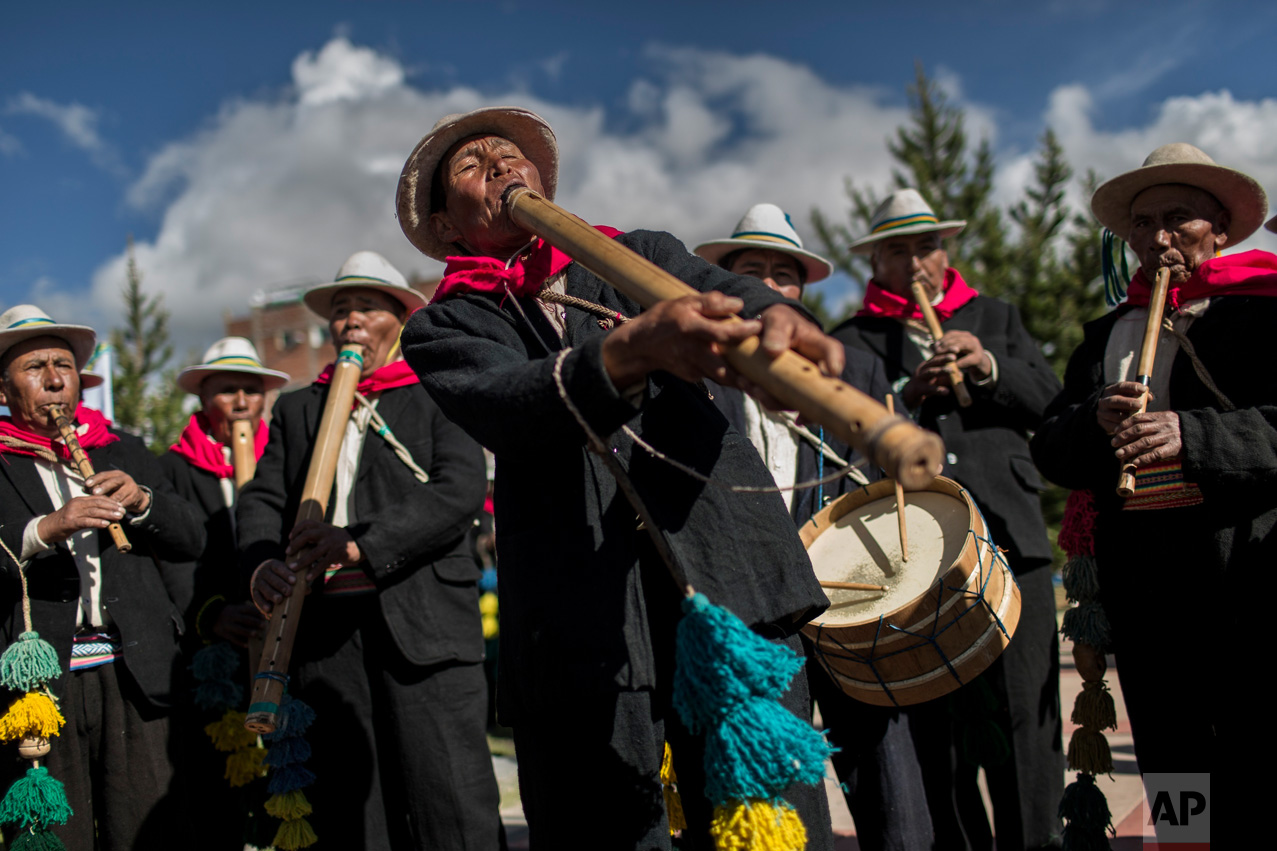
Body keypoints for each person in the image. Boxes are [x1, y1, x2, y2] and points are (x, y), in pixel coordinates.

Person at [395, 106, 843, 850]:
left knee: (772, 819)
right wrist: (624, 355)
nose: (501, 167)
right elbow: (511, 407)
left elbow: (718, 286)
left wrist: (773, 318)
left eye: (510, 155)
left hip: (728, 577)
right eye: (472, 166)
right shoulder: (444, 327)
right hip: (580, 628)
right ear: (445, 227)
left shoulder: (638, 253)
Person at [1030, 143, 1275, 832]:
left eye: (1178, 218)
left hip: (1246, 577)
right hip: (1145, 586)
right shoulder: (1108, 332)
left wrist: (1188, 436)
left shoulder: (1262, 312)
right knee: (1172, 761)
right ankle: (1182, 845)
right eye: (1141, 223)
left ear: (1219, 229)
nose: (1157, 238)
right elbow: (1050, 443)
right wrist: (1092, 422)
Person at [238, 252, 503, 850]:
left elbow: (459, 489)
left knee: (451, 804)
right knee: (351, 809)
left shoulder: (437, 392)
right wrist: (260, 564)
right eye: (340, 309)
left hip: (426, 629)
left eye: (367, 306)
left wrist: (360, 544)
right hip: (327, 637)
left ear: (399, 317)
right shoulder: (300, 408)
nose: (351, 319)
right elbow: (260, 498)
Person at [694, 203, 933, 850]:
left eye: (784, 273)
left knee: (887, 760)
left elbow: (880, 489)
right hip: (753, 604)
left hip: (848, 594)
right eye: (753, 271)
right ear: (722, 281)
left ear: (802, 288)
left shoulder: (853, 367)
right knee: (780, 772)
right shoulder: (697, 374)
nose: (771, 286)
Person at [831, 189, 1064, 851]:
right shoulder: (851, 339)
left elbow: (1051, 403)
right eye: (896, 250)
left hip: (1011, 542)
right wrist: (905, 399)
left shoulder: (995, 316)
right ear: (874, 261)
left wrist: (987, 367)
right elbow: (846, 438)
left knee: (1025, 717)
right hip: (919, 557)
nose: (914, 263)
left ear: (946, 251)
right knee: (940, 731)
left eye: (925, 247)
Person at [0, 305, 205, 851]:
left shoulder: (121, 447)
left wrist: (143, 502)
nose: (54, 380)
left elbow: (192, 538)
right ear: (3, 389)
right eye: (35, 368)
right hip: (41, 683)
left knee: (147, 830)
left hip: (135, 670)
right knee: (55, 834)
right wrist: (44, 529)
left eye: (63, 365)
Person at [159, 337, 289, 850]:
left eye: (251, 390)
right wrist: (211, 615)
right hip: (212, 646)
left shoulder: (285, 459)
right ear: (202, 398)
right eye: (227, 389)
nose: (240, 401)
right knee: (217, 791)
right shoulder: (171, 469)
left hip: (281, 638)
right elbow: (168, 561)